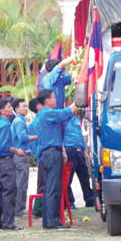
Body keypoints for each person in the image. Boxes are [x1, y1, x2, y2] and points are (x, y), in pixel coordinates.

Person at [33, 89, 79, 230]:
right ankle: (53, 221)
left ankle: (48, 221)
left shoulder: (43, 115)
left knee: (48, 189)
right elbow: (65, 113)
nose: (55, 99)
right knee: (54, 188)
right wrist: (79, 100)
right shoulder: (48, 113)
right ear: (47, 100)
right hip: (52, 154)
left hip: (47, 154)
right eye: (53, 97)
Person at [0, 99, 20, 230]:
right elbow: (5, 146)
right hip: (5, 160)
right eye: (8, 106)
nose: (11, 108)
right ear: (1, 110)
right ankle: (8, 223)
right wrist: (17, 151)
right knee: (9, 191)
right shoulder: (5, 125)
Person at [64, 108, 95, 208]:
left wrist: (85, 150)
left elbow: (80, 136)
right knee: (68, 179)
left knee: (85, 177)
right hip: (69, 150)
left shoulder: (76, 120)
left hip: (79, 151)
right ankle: (70, 202)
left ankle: (89, 200)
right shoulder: (63, 120)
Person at [11, 98, 35, 217]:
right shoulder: (19, 121)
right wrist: (36, 137)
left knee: (21, 183)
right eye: (23, 106)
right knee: (21, 184)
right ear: (16, 109)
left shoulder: (20, 120)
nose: (25, 108)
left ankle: (18, 208)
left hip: (21, 155)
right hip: (20, 155)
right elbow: (23, 138)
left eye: (26, 106)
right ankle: (18, 210)